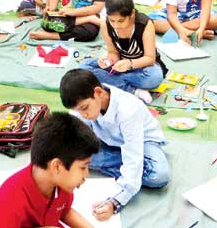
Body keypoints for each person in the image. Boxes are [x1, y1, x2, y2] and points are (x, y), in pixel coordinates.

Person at [60, 69, 170, 221]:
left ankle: (132, 172)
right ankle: (131, 170)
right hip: (109, 141)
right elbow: (73, 133)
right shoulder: (87, 104)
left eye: (84, 108)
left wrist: (115, 201)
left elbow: (133, 152)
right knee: (71, 153)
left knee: (159, 176)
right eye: (77, 110)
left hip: (143, 142)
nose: (83, 114)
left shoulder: (128, 110)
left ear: (98, 92)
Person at [0, 112, 99, 228]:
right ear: (56, 167)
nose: (86, 174)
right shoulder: (8, 200)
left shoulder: (61, 185)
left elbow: (64, 212)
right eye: (83, 167)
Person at [79, 0, 166, 102]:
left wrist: (130, 64)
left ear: (132, 14)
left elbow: (150, 58)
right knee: (84, 66)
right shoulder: (106, 24)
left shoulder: (144, 24)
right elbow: (113, 53)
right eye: (112, 21)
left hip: (141, 67)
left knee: (155, 77)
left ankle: (114, 83)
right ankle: (133, 91)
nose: (116, 25)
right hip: (119, 66)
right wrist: (108, 61)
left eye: (121, 21)